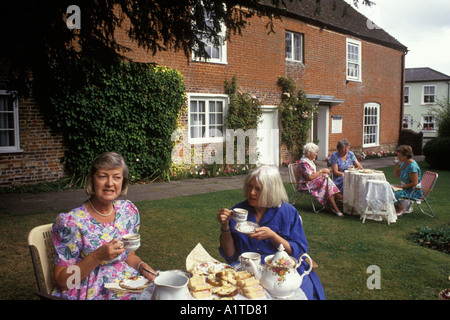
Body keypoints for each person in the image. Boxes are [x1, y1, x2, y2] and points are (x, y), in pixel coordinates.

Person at [51, 152, 158, 300]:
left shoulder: (128, 211)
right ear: (92, 180)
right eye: (102, 176)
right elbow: (62, 282)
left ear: (123, 182)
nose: (110, 183)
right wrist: (97, 256)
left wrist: (142, 267)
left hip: (127, 282)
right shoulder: (71, 222)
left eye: (116, 177)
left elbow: (128, 255)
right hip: (92, 290)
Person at [217, 166, 326, 300]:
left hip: (282, 272)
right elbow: (230, 255)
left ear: (271, 191)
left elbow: (300, 250)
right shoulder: (238, 212)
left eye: (258, 189)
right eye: (249, 186)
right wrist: (225, 226)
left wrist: (273, 236)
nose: (251, 192)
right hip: (247, 271)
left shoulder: (288, 212)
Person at [297, 142, 344, 217]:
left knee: (326, 181)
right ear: (310, 153)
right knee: (325, 178)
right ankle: (339, 203)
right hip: (305, 184)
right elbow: (310, 177)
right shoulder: (304, 162)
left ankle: (336, 205)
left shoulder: (309, 161)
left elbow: (313, 176)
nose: (316, 154)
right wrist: (322, 171)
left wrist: (322, 173)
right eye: (315, 152)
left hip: (311, 183)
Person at [392, 145, 423, 215]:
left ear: (405, 156)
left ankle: (400, 207)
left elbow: (414, 183)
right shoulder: (404, 163)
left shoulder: (412, 167)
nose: (398, 156)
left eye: (399, 154)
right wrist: (396, 165)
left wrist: (401, 187)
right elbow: (396, 175)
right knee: (388, 187)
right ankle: (395, 206)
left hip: (413, 191)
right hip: (405, 188)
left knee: (392, 193)